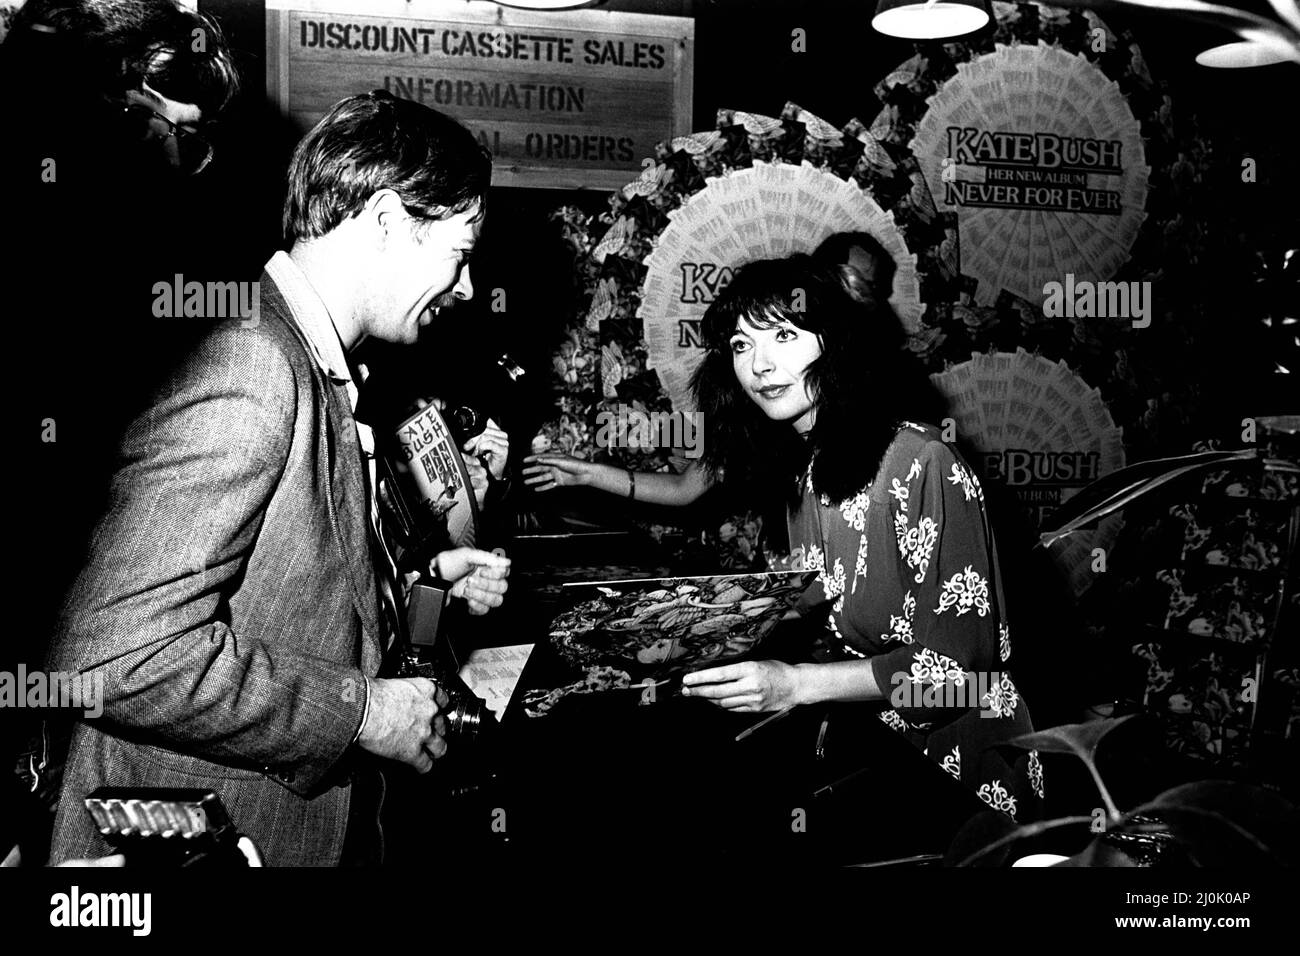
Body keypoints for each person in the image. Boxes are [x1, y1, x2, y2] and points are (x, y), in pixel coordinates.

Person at [43, 89, 510, 866]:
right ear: (389, 221)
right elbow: (111, 657)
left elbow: (293, 587)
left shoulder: (310, 359)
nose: (466, 286)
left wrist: (419, 582)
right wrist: (361, 713)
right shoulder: (254, 361)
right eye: (461, 250)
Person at [679, 254, 1044, 821]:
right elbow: (812, 609)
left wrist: (797, 685)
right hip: (868, 753)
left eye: (782, 334)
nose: (760, 365)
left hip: (963, 774)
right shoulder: (800, 468)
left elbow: (956, 671)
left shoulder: (921, 461)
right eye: (741, 345)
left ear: (837, 342)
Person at [521, 231, 899, 509]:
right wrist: (589, 474)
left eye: (869, 288)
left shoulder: (904, 440)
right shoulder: (754, 406)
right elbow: (686, 488)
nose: (761, 364)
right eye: (741, 344)